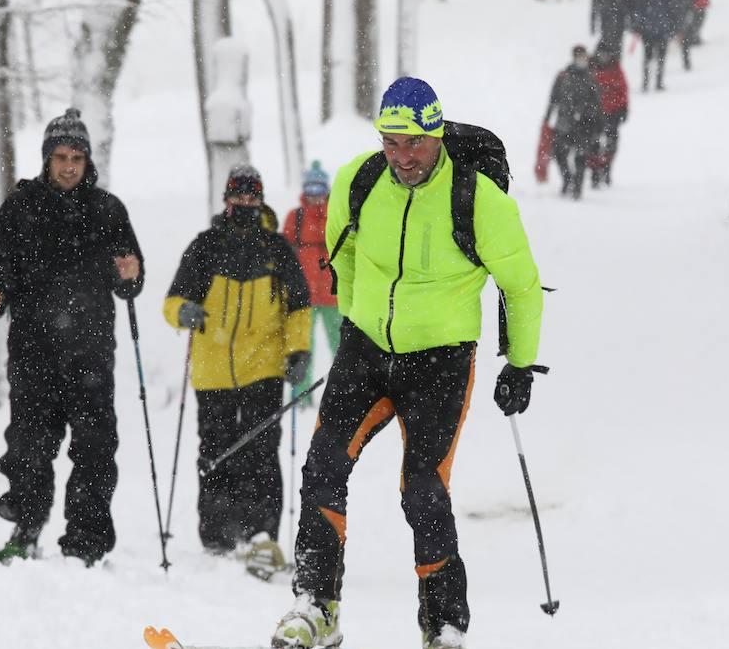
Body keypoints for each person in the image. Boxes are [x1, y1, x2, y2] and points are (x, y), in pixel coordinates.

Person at [270, 77, 545, 649]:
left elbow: (521, 287)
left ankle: (443, 625)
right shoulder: (360, 180)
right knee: (322, 467)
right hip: (365, 350)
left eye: (415, 143)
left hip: (441, 361)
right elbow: (341, 254)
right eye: (392, 142)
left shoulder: (479, 200)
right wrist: (357, 320)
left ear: (438, 135)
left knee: (422, 491)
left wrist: (519, 365)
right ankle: (316, 605)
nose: (403, 156)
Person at [0, 107, 144, 567]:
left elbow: (128, 278)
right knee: (29, 445)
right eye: (61, 156)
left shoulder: (108, 209)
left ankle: (84, 544)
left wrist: (130, 274)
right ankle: (25, 530)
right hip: (33, 351)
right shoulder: (20, 206)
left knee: (94, 449)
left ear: (88, 160)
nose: (69, 165)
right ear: (47, 159)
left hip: (91, 352)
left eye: (77, 156)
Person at [163, 164, 312, 567]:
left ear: (261, 199)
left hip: (263, 366)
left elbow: (299, 307)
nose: (245, 203)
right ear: (226, 199)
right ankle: (218, 535)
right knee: (215, 450)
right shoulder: (205, 247)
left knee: (262, 451)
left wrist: (298, 352)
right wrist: (185, 312)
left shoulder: (276, 249)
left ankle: (261, 534)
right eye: (238, 196)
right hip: (212, 370)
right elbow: (171, 302)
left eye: (252, 196)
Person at [281, 161, 342, 408]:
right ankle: (301, 397)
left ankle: (344, 396)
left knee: (342, 349)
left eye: (319, 189)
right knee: (302, 350)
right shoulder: (294, 218)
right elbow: (284, 255)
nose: (315, 195)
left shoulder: (337, 215)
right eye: (311, 189)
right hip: (302, 297)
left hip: (335, 296)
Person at [542, 45, 603, 198]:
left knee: (581, 156)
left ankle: (577, 186)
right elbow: (553, 99)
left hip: (585, 124)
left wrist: (596, 122)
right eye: (578, 56)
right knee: (559, 153)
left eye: (583, 56)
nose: (581, 59)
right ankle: (567, 179)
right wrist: (547, 118)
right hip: (564, 122)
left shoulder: (591, 78)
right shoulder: (563, 76)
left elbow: (597, 103)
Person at [630, 0, 696, 92]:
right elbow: (674, 14)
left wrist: (638, 27)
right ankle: (658, 82)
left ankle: (645, 82)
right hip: (663, 32)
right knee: (661, 57)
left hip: (647, 32)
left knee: (647, 57)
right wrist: (675, 29)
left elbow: (637, 12)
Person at [588, 48, 629, 187]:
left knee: (611, 144)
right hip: (594, 114)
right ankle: (594, 172)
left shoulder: (616, 69)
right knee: (593, 144)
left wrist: (623, 108)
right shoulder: (590, 69)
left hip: (613, 113)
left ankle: (606, 169)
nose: (603, 57)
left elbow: (623, 90)